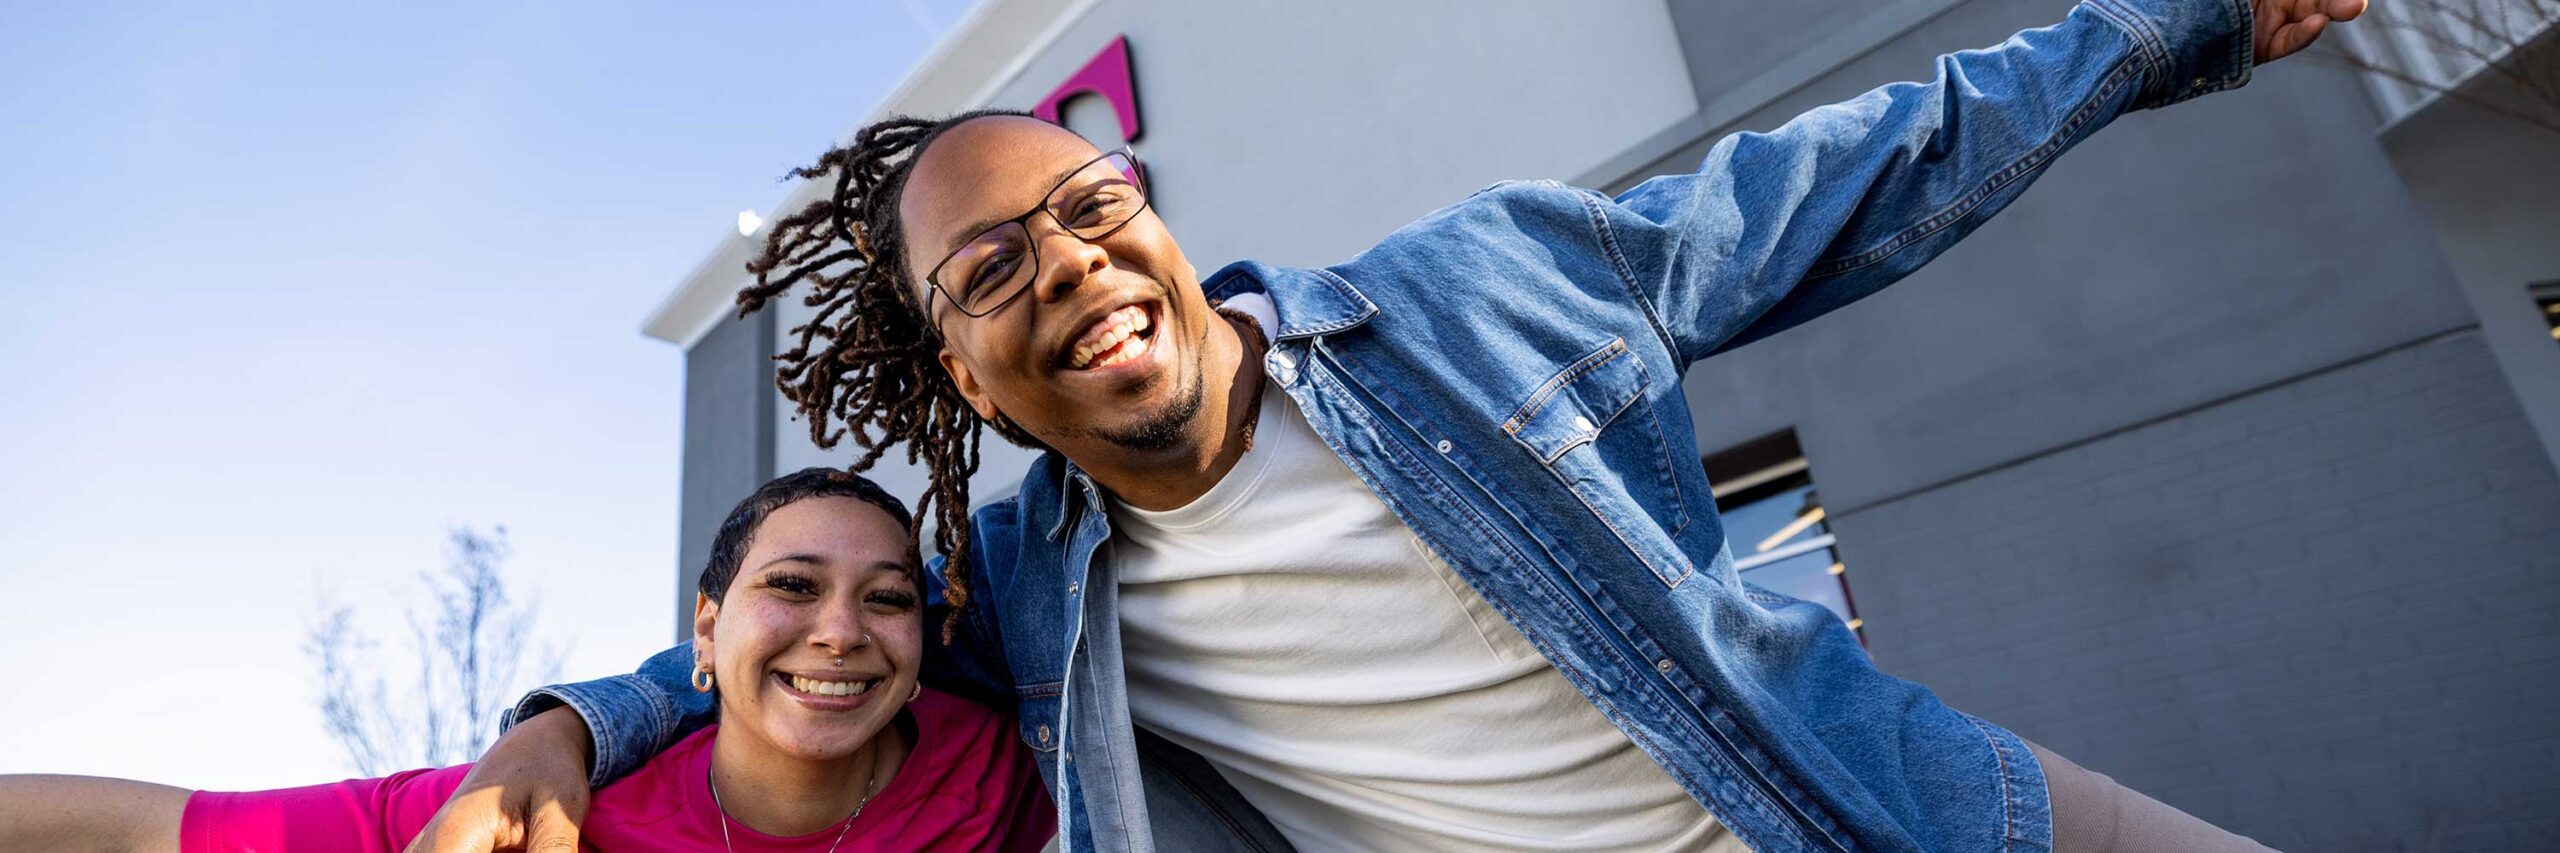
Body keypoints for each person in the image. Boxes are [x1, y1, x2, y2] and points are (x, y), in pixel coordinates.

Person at [406, 0, 2365, 850]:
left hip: (1903, 811)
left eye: (1089, 211)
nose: (1066, 268)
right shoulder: (1018, 587)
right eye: (987, 274)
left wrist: (2167, 25)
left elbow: (1853, 167)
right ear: (960, 377)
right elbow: (781, 647)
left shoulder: (1467, 291)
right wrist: (561, 728)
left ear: (1153, 227)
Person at [0, 468, 1054, 852]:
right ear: (703, 628)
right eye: (790, 584)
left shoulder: (1005, 765)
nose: (839, 630)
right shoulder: (532, 817)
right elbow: (158, 826)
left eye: (886, 599)